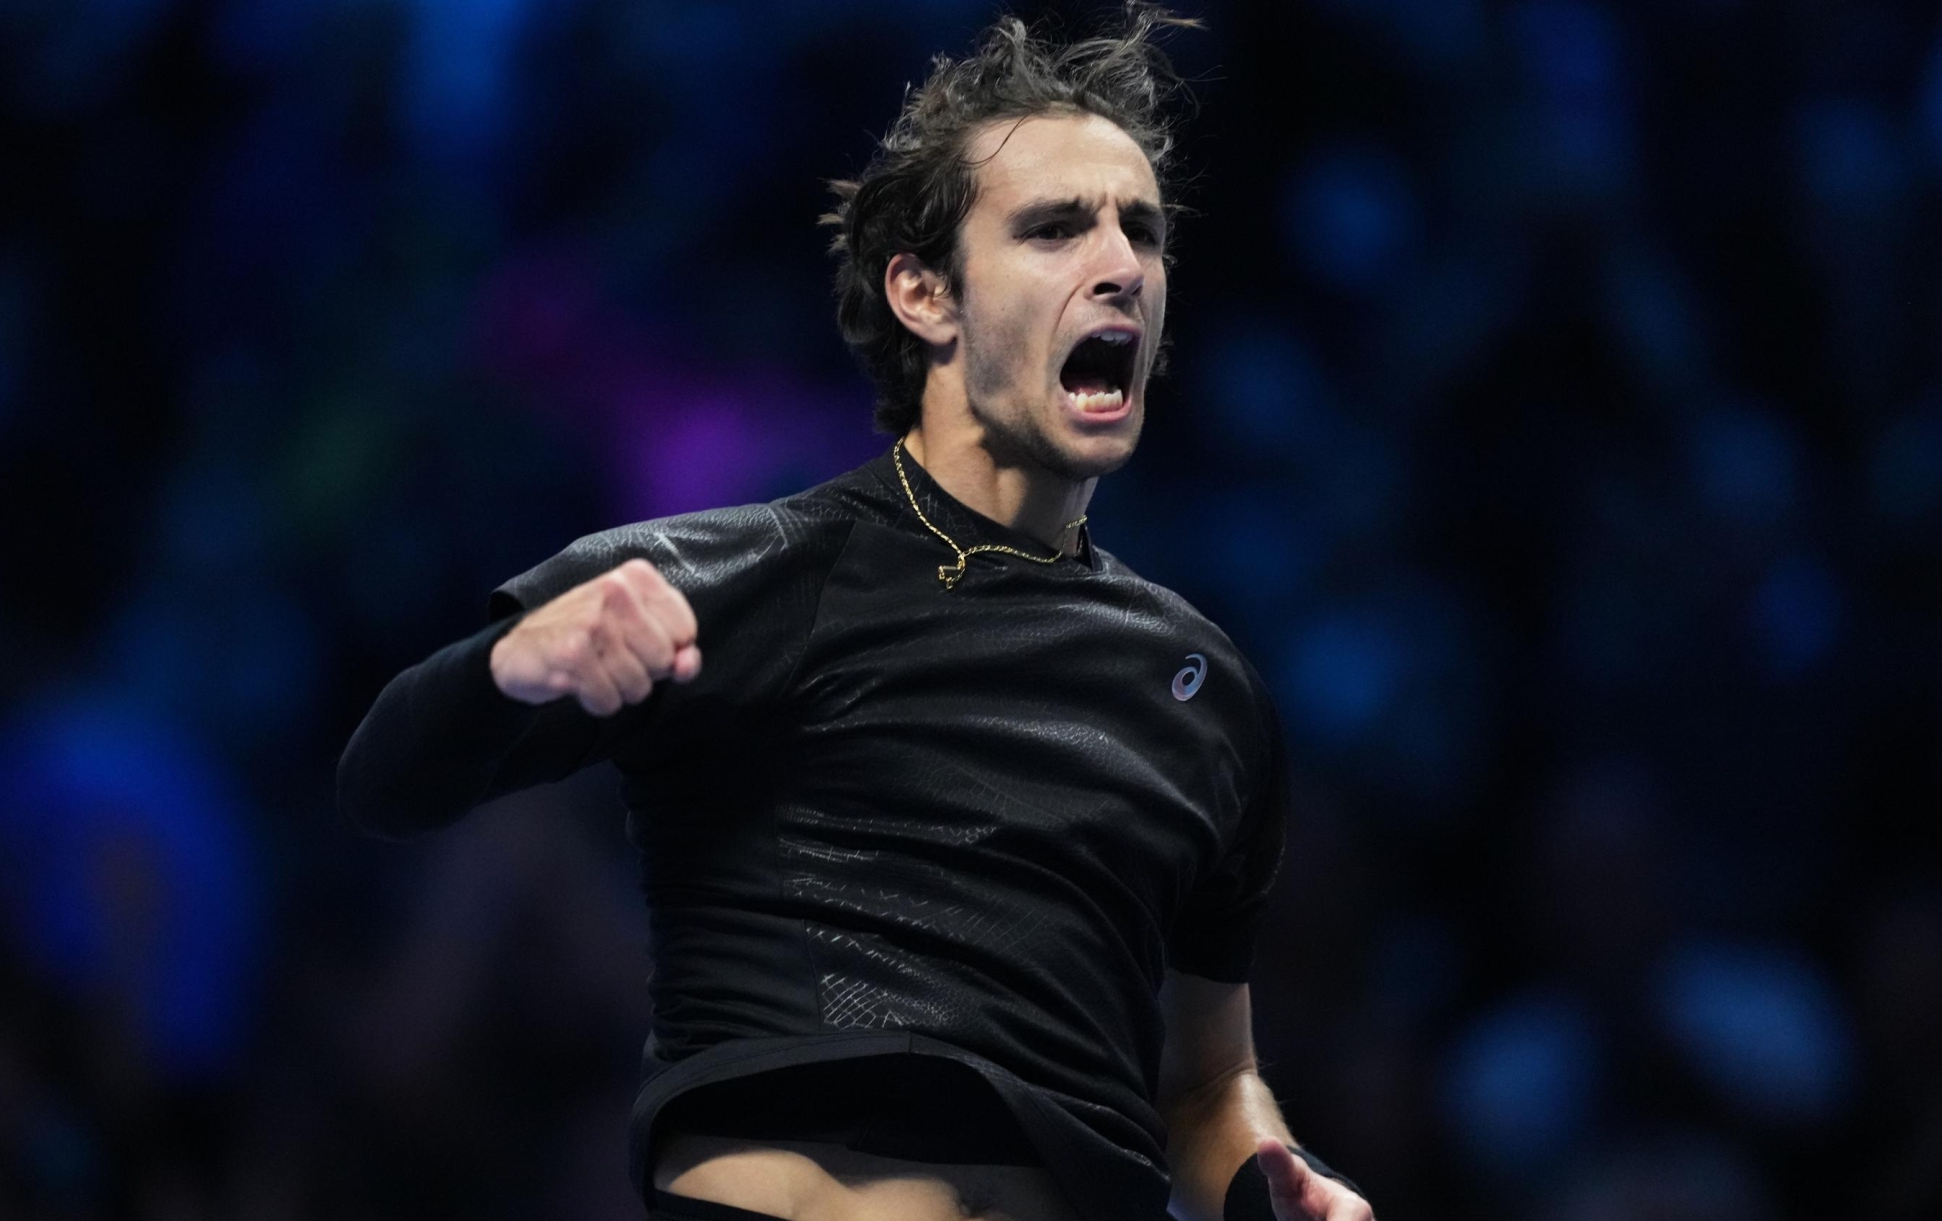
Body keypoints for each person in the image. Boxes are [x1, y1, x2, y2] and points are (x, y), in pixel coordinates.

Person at [339, 7, 1376, 1220]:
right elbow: (386, 782)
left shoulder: (1204, 688)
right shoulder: (737, 577)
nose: (1121, 267)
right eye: (1056, 228)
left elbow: (1208, 1089)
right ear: (925, 295)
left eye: (1141, 233)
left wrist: (1274, 1177)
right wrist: (510, 664)